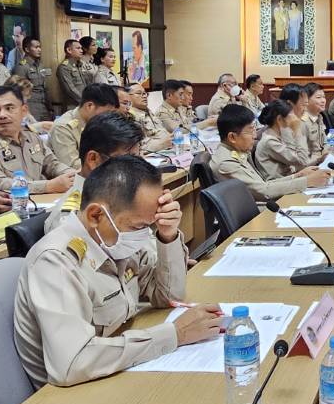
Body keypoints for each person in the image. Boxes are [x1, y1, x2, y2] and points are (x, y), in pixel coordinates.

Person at [15, 155, 222, 387]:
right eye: (138, 227)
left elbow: (169, 297)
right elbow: (72, 363)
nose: (143, 235)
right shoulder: (57, 261)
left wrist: (167, 235)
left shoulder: (113, 239)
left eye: (149, 226)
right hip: (72, 395)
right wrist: (175, 334)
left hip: (111, 368)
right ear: (96, 215)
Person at [44, 113, 146, 233]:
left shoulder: (121, 195)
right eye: (127, 161)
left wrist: (166, 236)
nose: (135, 169)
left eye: (137, 159)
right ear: (93, 159)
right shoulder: (70, 219)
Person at [0, 84, 77, 194]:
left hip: (40, 203)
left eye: (9, 108)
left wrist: (73, 175)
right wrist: (48, 186)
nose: (2, 115)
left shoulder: (31, 136)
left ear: (24, 111)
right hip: (6, 207)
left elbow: (52, 164)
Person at [212, 103, 329, 201]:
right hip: (256, 215)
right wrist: (306, 181)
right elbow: (264, 191)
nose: (254, 136)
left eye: (254, 129)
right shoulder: (226, 163)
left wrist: (298, 175)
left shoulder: (236, 151)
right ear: (232, 137)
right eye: (250, 131)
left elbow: (263, 185)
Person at [48, 83, 123, 172]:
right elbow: (74, 165)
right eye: (107, 112)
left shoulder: (98, 122)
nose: (108, 116)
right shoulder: (63, 127)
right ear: (89, 106)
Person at [255, 99, 311, 179]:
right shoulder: (269, 141)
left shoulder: (279, 135)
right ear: (279, 119)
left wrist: (319, 159)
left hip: (290, 179)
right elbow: (302, 161)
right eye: (292, 116)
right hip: (279, 185)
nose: (295, 119)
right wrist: (298, 131)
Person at [10, 35, 55, 122]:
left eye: (40, 47)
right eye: (36, 47)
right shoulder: (22, 67)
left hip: (44, 106)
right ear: (27, 49)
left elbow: (45, 88)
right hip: (31, 106)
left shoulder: (40, 65)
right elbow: (19, 92)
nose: (39, 50)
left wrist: (50, 108)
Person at [126, 82, 171, 155]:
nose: (144, 96)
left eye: (145, 93)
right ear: (127, 97)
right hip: (153, 154)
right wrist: (163, 144)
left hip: (166, 150)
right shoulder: (130, 116)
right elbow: (140, 147)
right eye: (139, 93)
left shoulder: (149, 112)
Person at [56, 38, 90, 111]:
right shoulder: (64, 67)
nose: (81, 51)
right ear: (69, 50)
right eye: (78, 48)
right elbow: (70, 89)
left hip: (84, 104)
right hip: (72, 107)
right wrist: (85, 102)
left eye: (81, 48)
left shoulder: (80, 65)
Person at [299, 83, 329, 165]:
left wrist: (328, 153)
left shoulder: (319, 117)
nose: (323, 100)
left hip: (323, 161)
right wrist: (320, 159)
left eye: (324, 97)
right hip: (310, 166)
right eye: (318, 97)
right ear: (306, 100)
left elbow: (325, 143)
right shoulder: (302, 122)